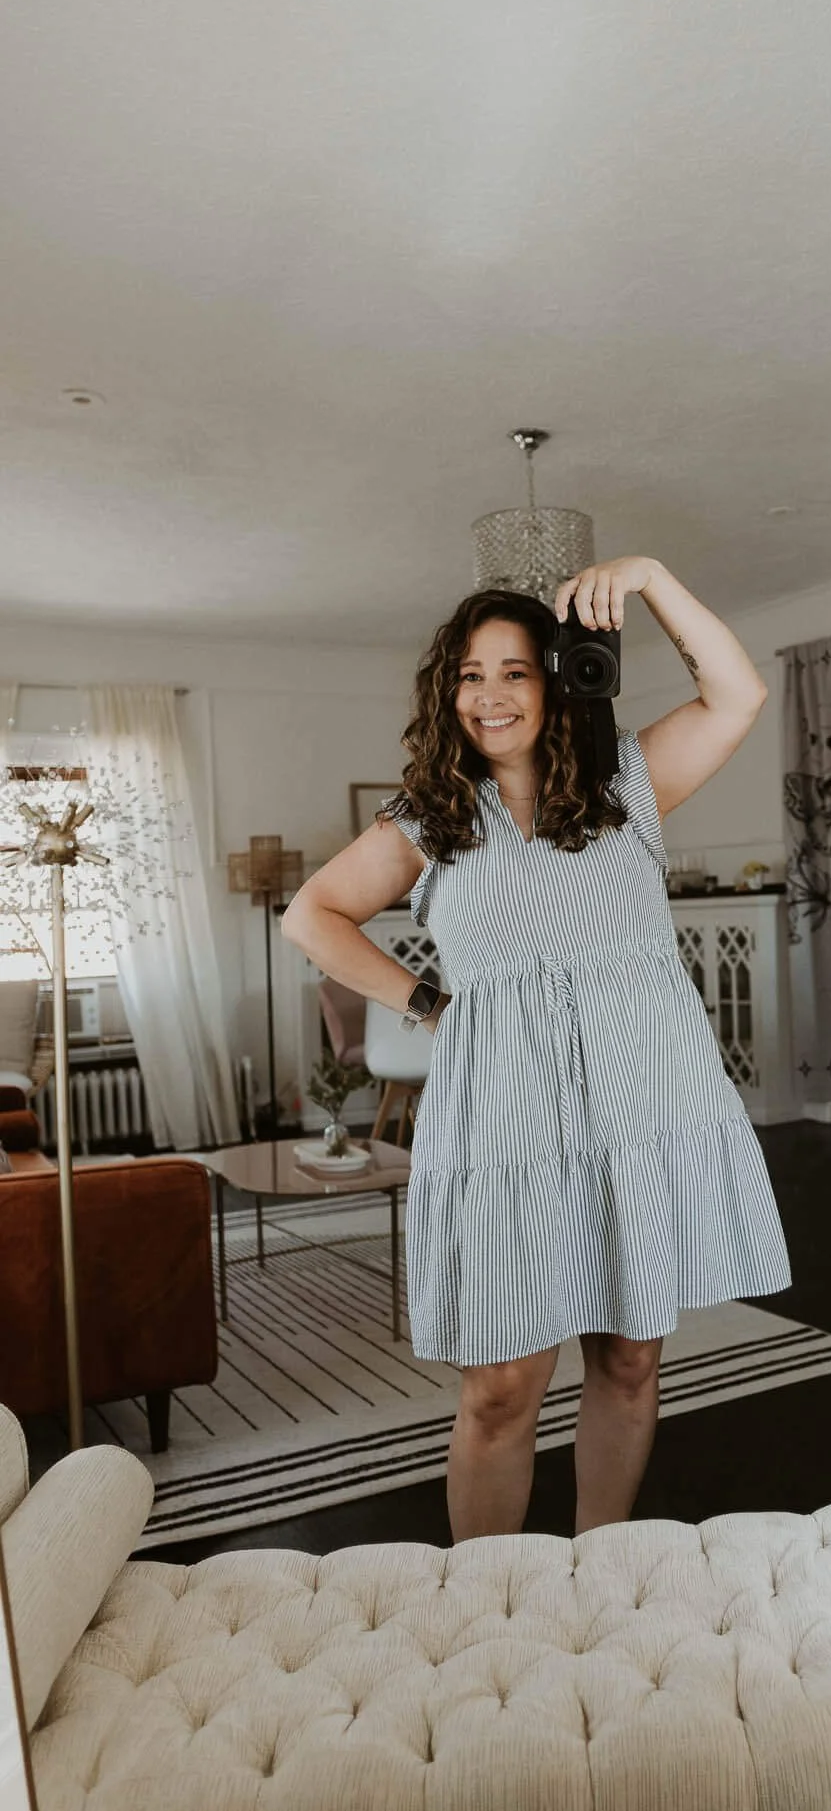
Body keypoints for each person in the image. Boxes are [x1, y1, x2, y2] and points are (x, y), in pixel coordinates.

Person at [282, 555, 792, 1541]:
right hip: (507, 1115)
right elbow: (315, 914)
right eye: (471, 674)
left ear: (555, 679)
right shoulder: (430, 812)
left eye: (515, 670)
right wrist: (426, 999)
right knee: (502, 1387)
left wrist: (648, 575)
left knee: (631, 1358)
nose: (491, 694)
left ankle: (600, 1563)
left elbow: (738, 690)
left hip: (641, 1098)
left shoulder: (627, 782)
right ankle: (492, 1599)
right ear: (448, 691)